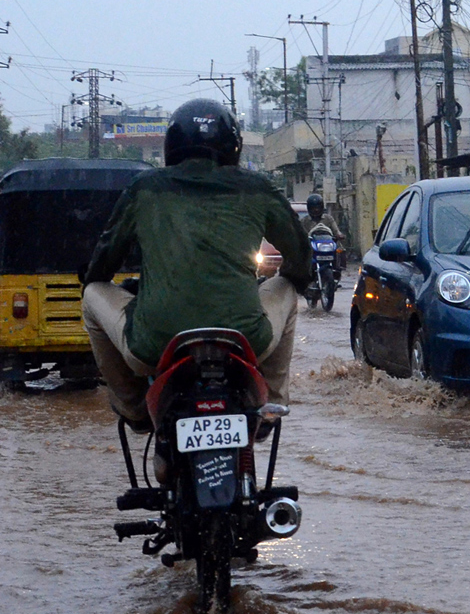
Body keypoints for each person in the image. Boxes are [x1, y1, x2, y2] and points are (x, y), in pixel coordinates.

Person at [82, 98, 312, 442]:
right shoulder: (257, 188)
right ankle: (271, 408)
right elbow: (301, 258)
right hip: (245, 341)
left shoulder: (145, 189)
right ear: (233, 146)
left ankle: (135, 409)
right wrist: (289, 281)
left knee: (91, 295)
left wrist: (102, 279)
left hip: (154, 346)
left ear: (171, 146)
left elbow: (102, 264)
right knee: (288, 291)